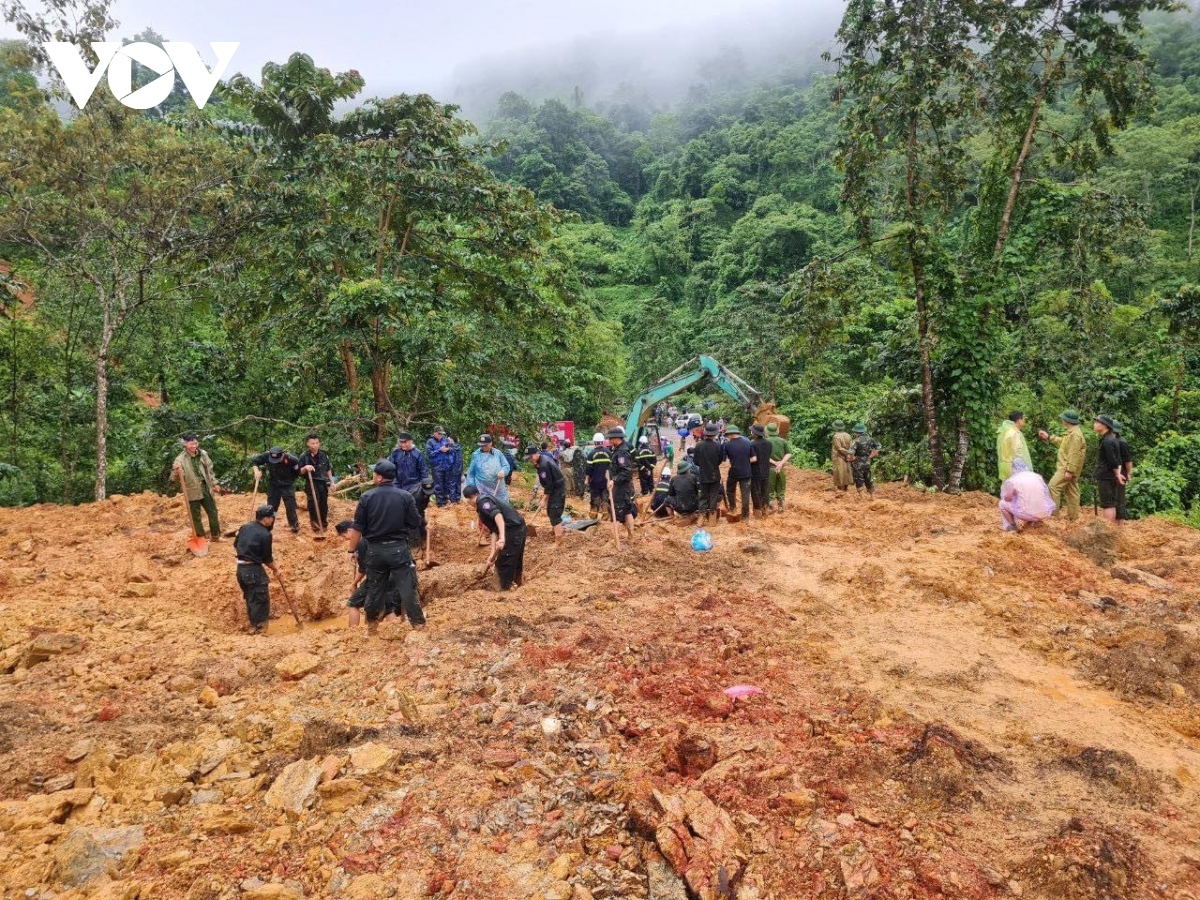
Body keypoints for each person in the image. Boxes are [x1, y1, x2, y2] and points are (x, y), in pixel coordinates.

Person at [347, 460, 425, 631]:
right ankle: (418, 625)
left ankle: (372, 625)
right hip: (398, 548)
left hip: (375, 550)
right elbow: (415, 522)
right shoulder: (405, 496)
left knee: (375, 588)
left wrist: (351, 550)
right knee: (407, 588)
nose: (374, 475)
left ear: (380, 477)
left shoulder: (367, 497)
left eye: (375, 473)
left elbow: (357, 528)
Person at [465, 484, 526, 590]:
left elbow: (498, 516)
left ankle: (503, 589)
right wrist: (492, 553)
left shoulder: (482, 503)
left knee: (504, 561)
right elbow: (494, 530)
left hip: (513, 529)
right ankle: (518, 584)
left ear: (469, 499)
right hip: (516, 527)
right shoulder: (483, 501)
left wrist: (502, 538)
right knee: (514, 557)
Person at [233, 504, 281, 634]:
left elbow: (236, 544)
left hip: (241, 570)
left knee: (251, 597)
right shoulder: (265, 534)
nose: (273, 520)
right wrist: (276, 569)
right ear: (265, 519)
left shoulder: (245, 527)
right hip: (253, 570)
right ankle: (260, 631)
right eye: (271, 518)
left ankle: (254, 626)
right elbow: (267, 558)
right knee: (260, 599)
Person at [1037, 410, 1086, 522]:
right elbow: (1064, 444)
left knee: (1053, 487)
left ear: (1067, 421)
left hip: (1066, 467)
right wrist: (1049, 437)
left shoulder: (1075, 435)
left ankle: (1054, 516)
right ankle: (1073, 518)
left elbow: (1074, 454)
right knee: (1072, 491)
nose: (1061, 420)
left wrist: (1070, 471)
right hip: (1069, 467)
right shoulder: (1072, 433)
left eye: (1063, 418)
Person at [172, 432, 221, 541]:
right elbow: (175, 478)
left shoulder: (203, 454)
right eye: (191, 444)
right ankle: (200, 537)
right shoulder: (180, 460)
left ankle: (215, 536)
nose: (194, 446)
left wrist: (214, 483)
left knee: (212, 511)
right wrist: (176, 472)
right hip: (192, 490)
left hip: (205, 487)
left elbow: (210, 470)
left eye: (195, 443)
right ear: (185, 444)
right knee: (196, 515)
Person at [249, 446, 302, 534]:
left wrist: (289, 480)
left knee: (290, 507)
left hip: (287, 485)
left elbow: (297, 472)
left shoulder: (293, 460)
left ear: (282, 455)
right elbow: (254, 461)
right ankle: (269, 526)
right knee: (272, 508)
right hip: (274, 484)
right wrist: (256, 471)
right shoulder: (267, 456)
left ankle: (294, 525)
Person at [998, 459, 1056, 532]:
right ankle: (1035, 522)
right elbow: (1044, 494)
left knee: (1002, 503)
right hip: (1044, 513)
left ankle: (1012, 526)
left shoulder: (1014, 480)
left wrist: (1013, 498)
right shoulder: (1037, 476)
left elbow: (1007, 497)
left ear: (1013, 468)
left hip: (1026, 515)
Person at [527, 445, 567, 544]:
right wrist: (545, 496)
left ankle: (559, 540)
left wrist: (544, 499)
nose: (529, 459)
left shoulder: (543, 465)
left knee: (554, 513)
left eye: (530, 457)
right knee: (551, 511)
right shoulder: (542, 460)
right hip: (555, 489)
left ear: (537, 454)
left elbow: (549, 485)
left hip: (557, 490)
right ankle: (555, 531)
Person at [296, 433, 333, 533]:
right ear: (308, 444)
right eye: (313, 443)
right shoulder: (304, 456)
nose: (315, 445)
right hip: (311, 482)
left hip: (323, 483)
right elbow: (299, 471)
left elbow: (328, 468)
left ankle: (323, 524)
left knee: (323, 504)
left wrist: (332, 482)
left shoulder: (324, 454)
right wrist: (305, 467)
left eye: (317, 443)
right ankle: (315, 526)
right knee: (313, 503)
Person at [335, 520, 368, 627]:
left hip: (376, 577)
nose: (344, 538)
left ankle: (352, 632)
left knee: (353, 603)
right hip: (388, 574)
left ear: (349, 530)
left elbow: (363, 569)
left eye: (343, 535)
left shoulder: (360, 542)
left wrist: (354, 584)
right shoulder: (366, 537)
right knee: (387, 605)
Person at [1093, 415, 1125, 524]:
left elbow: (1113, 461)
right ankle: (1111, 529)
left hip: (1106, 475)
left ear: (1105, 426)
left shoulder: (1107, 441)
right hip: (1109, 475)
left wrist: (1117, 474)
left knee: (1107, 504)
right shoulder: (1113, 438)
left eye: (1097, 422)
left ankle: (1108, 531)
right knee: (1110, 503)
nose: (1095, 424)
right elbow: (1118, 460)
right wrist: (1118, 474)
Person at [606, 427, 637, 540]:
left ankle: (614, 540)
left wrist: (614, 480)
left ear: (615, 439)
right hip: (623, 487)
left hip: (621, 488)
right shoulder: (619, 449)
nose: (609, 441)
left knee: (616, 513)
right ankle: (631, 536)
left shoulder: (622, 452)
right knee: (627, 511)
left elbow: (626, 471)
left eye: (610, 439)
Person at [693, 422, 725, 524]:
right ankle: (712, 519)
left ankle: (701, 519)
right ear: (715, 434)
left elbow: (695, 461)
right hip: (715, 474)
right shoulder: (718, 445)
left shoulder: (698, 445)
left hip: (702, 474)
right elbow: (720, 460)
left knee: (703, 496)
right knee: (714, 495)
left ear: (705, 433)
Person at [466, 433, 512, 502]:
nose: (483, 447)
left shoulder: (498, 453)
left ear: (491, 443)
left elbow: (506, 466)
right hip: (482, 488)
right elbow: (471, 473)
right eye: (481, 445)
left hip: (498, 486)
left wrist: (503, 471)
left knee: (502, 504)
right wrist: (472, 487)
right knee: (486, 507)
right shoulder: (476, 455)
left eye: (485, 445)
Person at [722, 424, 754, 519]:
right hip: (747, 471)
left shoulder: (727, 444)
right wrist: (744, 462)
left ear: (731, 434)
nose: (727, 437)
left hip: (734, 471)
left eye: (728, 435)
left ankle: (733, 508)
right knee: (745, 494)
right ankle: (745, 515)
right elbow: (754, 458)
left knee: (730, 490)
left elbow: (724, 460)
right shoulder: (748, 442)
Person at [847, 423, 881, 498]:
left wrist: (852, 459)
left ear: (856, 432)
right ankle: (872, 497)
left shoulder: (856, 441)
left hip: (858, 463)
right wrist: (872, 455)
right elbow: (878, 447)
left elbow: (851, 452)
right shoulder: (870, 439)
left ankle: (862, 498)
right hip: (867, 462)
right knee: (868, 478)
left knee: (859, 479)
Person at [996, 411, 1032, 481]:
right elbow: (1017, 452)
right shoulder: (1014, 433)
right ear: (1019, 420)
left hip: (1005, 465)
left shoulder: (1007, 431)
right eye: (1023, 418)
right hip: (1013, 466)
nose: (1024, 420)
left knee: (1007, 488)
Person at [427, 426, 456, 508]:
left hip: (446, 465)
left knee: (447, 484)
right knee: (438, 485)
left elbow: (453, 450)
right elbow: (429, 454)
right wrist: (439, 450)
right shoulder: (430, 442)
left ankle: (446, 500)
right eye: (439, 434)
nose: (441, 435)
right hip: (436, 467)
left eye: (442, 434)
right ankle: (441, 503)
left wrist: (448, 450)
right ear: (435, 433)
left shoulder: (445, 439)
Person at [766, 422, 793, 510]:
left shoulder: (765, 442)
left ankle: (770, 504)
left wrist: (774, 463)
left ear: (767, 431)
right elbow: (789, 454)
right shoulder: (782, 441)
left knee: (769, 488)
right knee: (781, 488)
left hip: (770, 468)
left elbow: (763, 456)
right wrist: (780, 463)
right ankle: (780, 506)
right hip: (781, 469)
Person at [749, 424, 774, 517]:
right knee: (765, 491)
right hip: (766, 470)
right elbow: (767, 457)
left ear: (755, 433)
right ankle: (765, 509)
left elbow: (753, 458)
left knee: (755, 491)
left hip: (755, 471)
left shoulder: (752, 444)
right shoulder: (769, 443)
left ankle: (758, 511)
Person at [586, 433, 612, 516]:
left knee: (595, 497)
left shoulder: (591, 454)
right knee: (605, 498)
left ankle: (593, 515)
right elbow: (612, 467)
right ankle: (606, 514)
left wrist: (587, 480)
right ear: (603, 442)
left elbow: (589, 469)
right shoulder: (609, 452)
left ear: (594, 442)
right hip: (606, 481)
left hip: (595, 481)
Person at [1113, 420, 1134, 522]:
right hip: (1112, 471)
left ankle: (1120, 521)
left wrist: (1129, 473)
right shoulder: (1111, 440)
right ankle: (1114, 520)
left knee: (1119, 497)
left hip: (1121, 472)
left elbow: (1128, 460)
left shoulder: (1122, 442)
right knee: (1113, 496)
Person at [831, 421, 853, 492]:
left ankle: (841, 490)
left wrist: (847, 453)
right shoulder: (848, 435)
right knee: (846, 472)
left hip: (839, 457)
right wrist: (849, 454)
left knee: (839, 473)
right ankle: (845, 489)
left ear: (836, 428)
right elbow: (851, 446)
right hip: (847, 457)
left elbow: (839, 448)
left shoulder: (836, 436)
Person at [447, 436, 464, 503]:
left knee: (452, 485)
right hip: (459, 469)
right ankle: (458, 499)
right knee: (458, 484)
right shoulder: (459, 448)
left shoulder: (451, 449)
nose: (447, 441)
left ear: (452, 440)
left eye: (448, 439)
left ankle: (453, 501)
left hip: (452, 469)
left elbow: (450, 460)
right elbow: (461, 461)